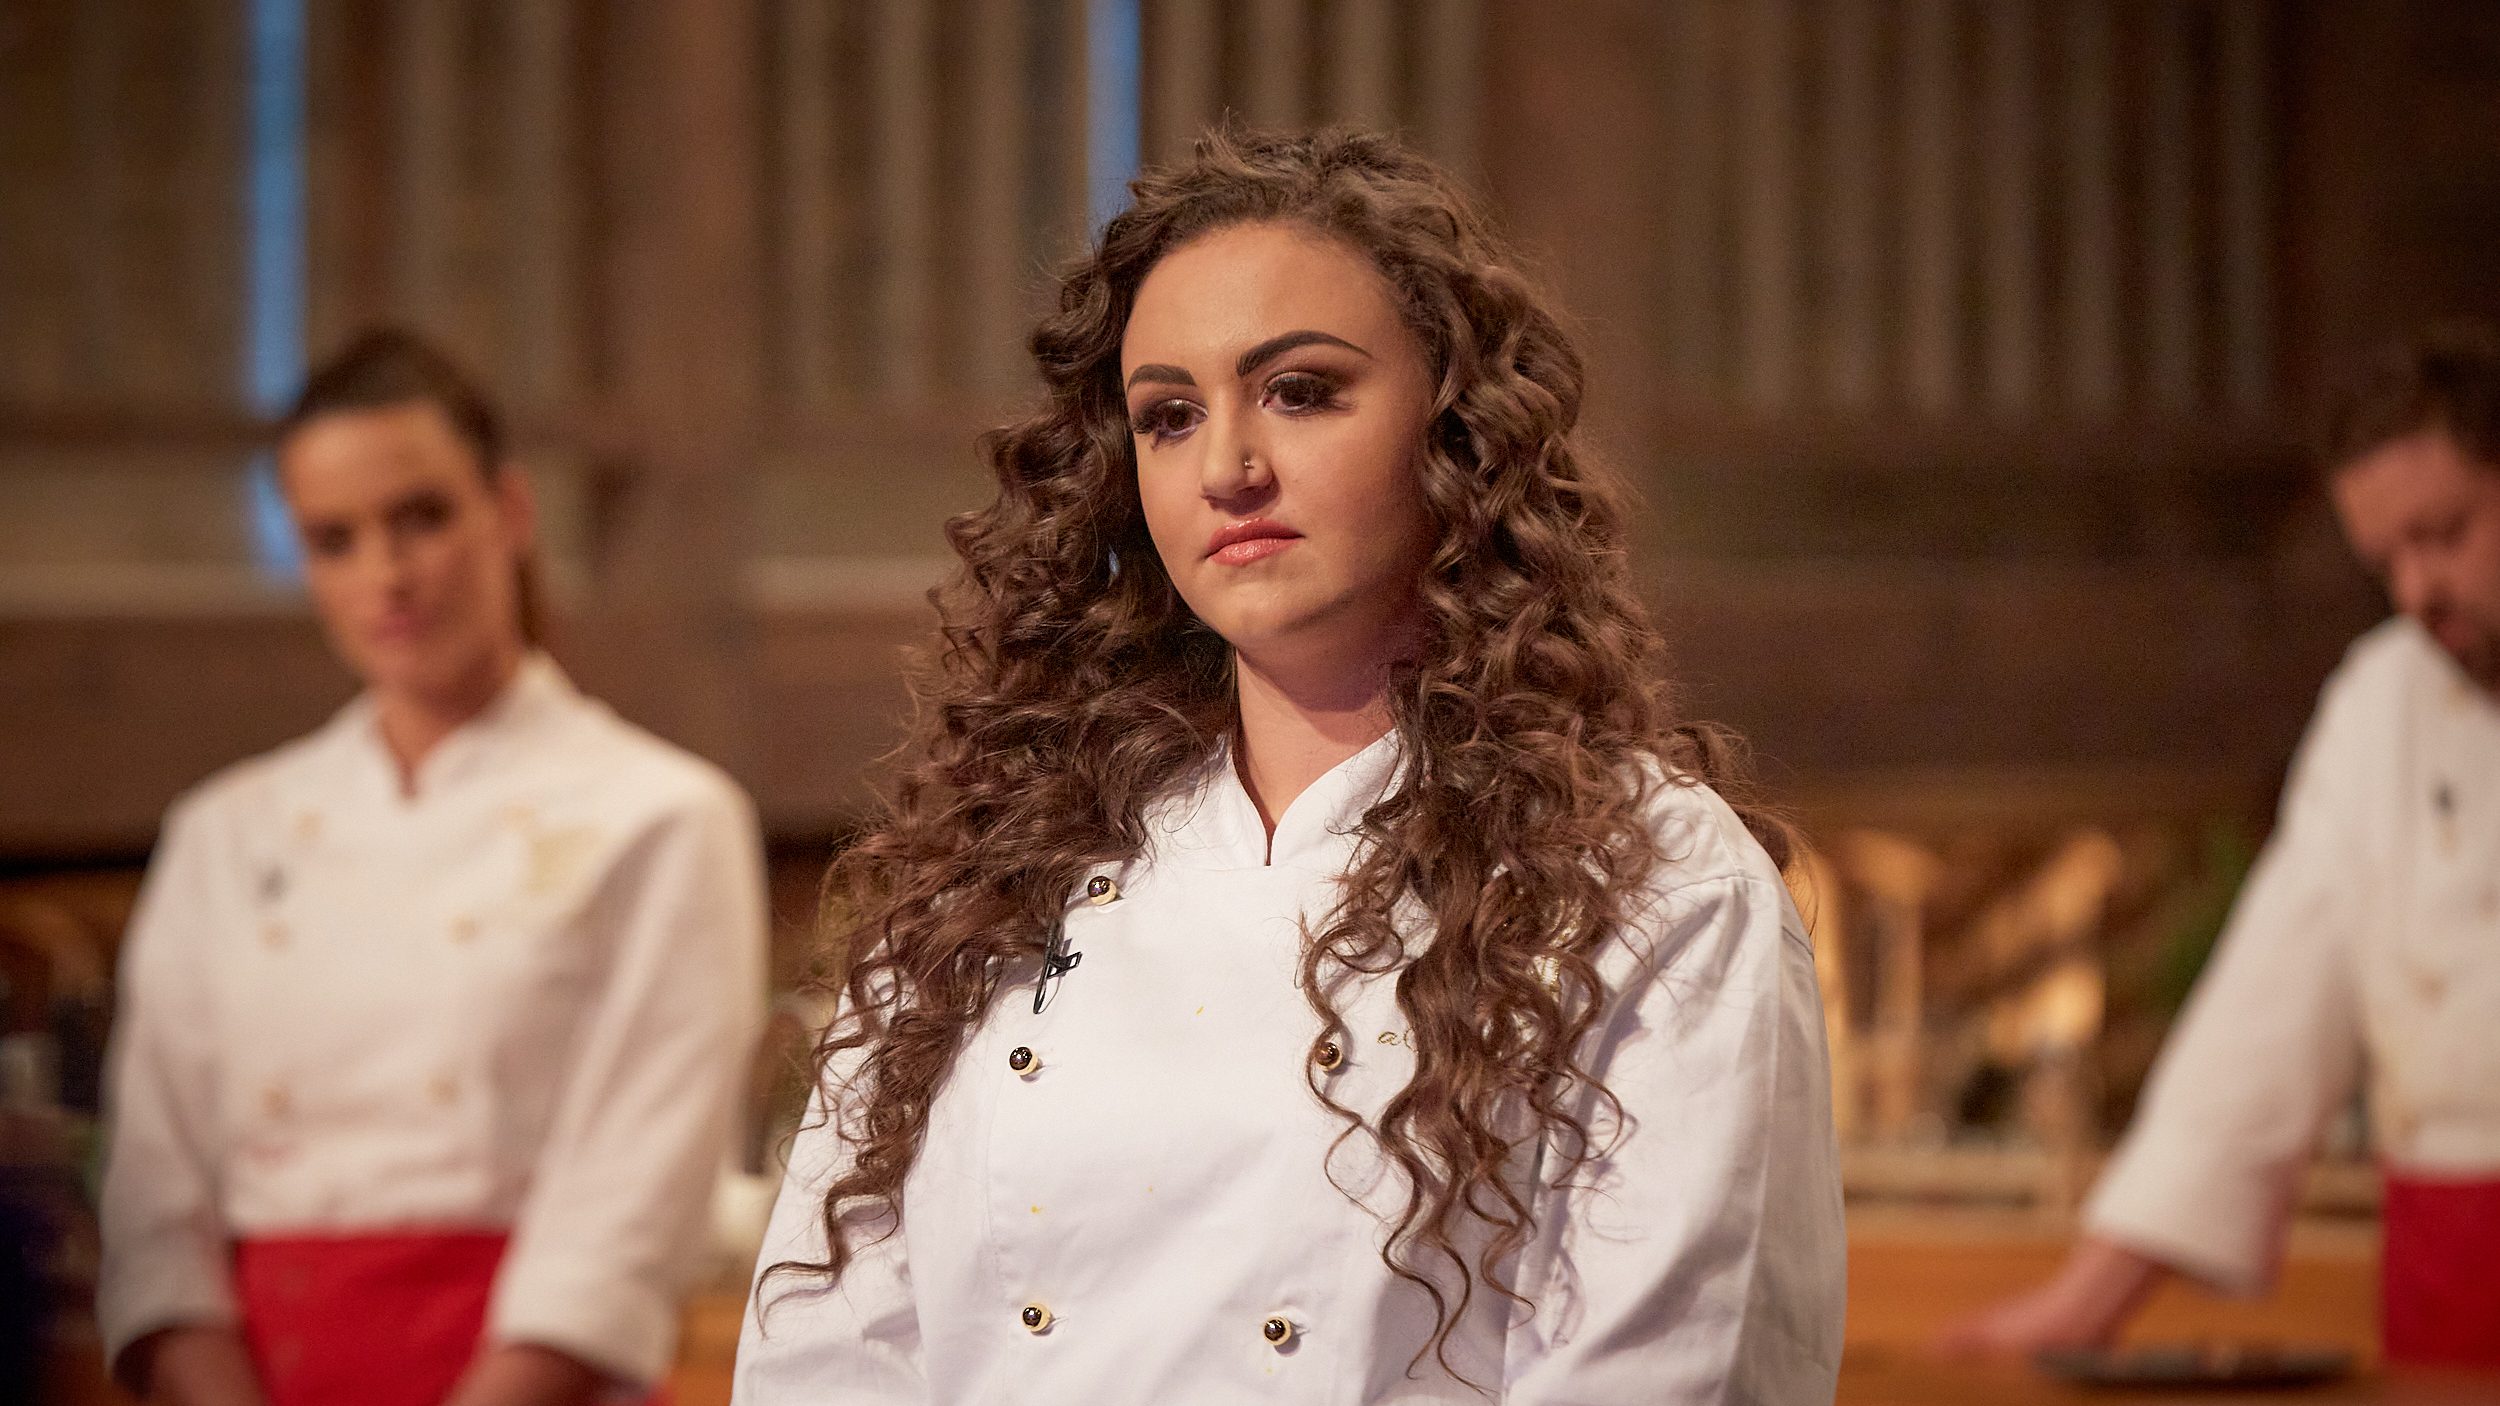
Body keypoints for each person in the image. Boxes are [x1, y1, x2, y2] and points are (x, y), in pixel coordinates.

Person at [733, 128, 1844, 1404]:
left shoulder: (1649, 880)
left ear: (1458, 431)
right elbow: (827, 1352)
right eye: (1168, 417)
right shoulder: (989, 877)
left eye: (1301, 391)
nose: (1227, 468)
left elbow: (1665, 1373)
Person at [97, 329, 769, 1406]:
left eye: (421, 517)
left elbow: (629, 1207)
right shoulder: (226, 831)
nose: (388, 576)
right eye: (334, 539)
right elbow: (153, 1202)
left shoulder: (662, 817)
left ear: (509, 511)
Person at [1945, 323, 2500, 1369]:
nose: (2417, 590)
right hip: (2444, 1279)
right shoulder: (2379, 699)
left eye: (2444, 533)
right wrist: (2083, 1302)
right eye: (2387, 559)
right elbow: (2265, 1012)